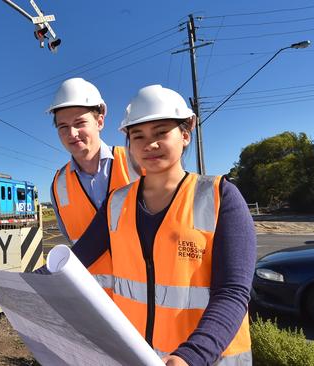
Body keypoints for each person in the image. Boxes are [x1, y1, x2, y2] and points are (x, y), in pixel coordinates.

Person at [72, 84, 255, 365]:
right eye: (138, 136)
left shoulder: (220, 196)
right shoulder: (116, 203)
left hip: (205, 358)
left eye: (161, 133)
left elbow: (233, 291)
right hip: (139, 356)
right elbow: (76, 259)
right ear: (129, 145)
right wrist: (11, 286)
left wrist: (191, 355)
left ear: (184, 134)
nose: (150, 144)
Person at [48, 78, 141, 295]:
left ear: (99, 122)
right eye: (63, 127)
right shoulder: (58, 184)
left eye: (80, 123)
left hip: (146, 303)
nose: (72, 133)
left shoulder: (137, 163)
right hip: (96, 304)